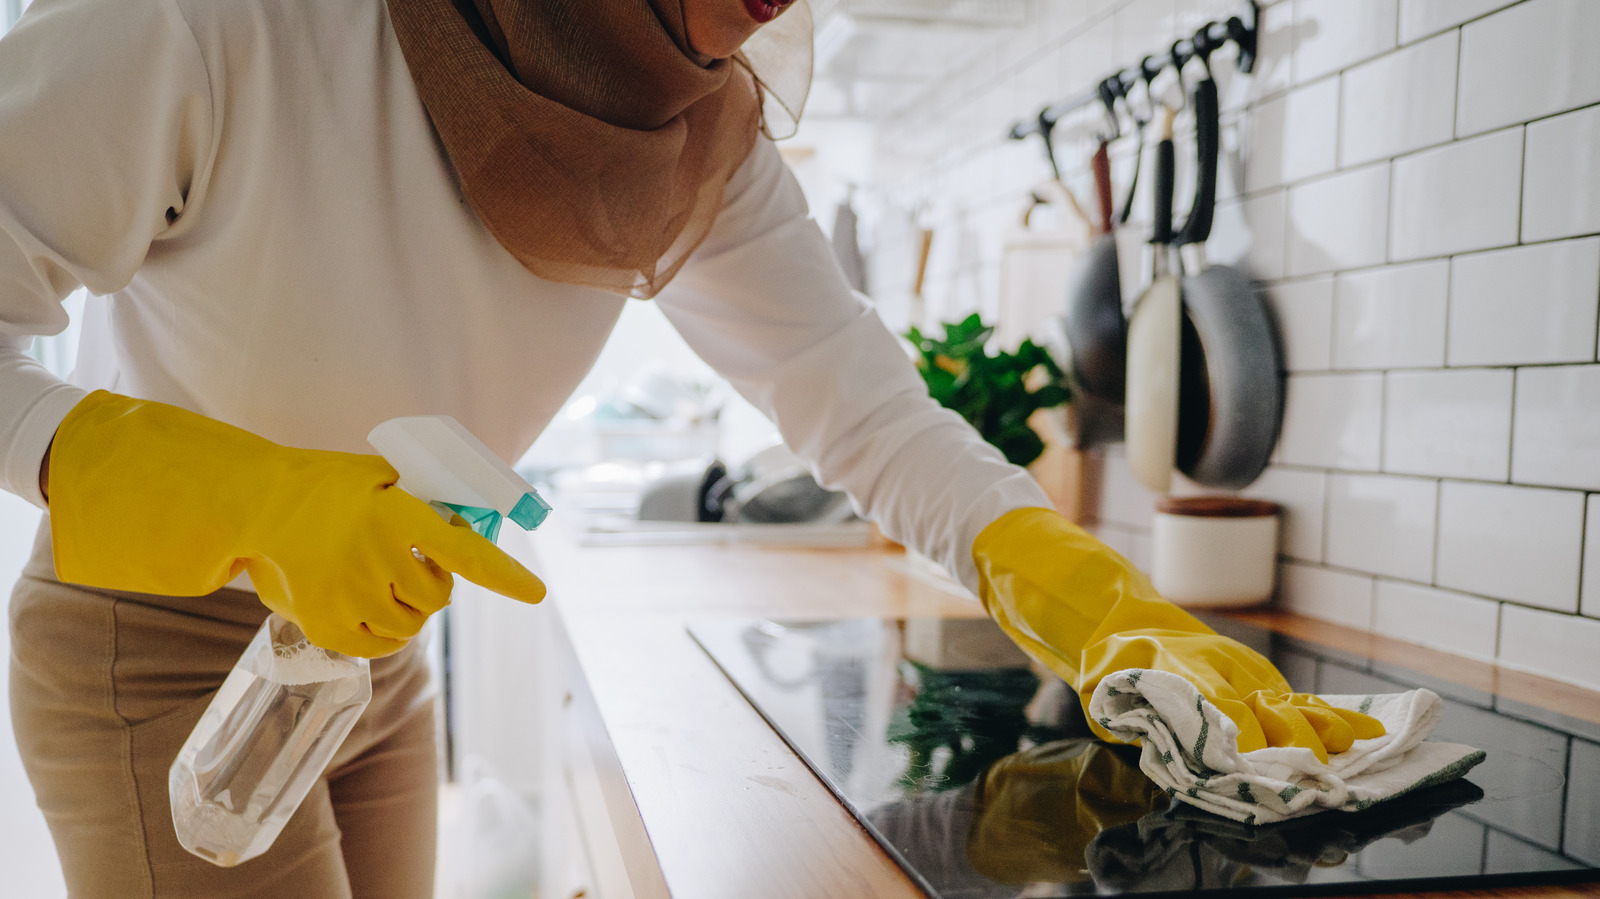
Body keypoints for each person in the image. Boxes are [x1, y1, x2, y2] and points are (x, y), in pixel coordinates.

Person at [0, 0, 1382, 895]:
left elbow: (869, 410)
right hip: (158, 653)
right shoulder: (223, 27)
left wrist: (1090, 597)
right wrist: (238, 493)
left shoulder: (691, 136)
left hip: (367, 660)